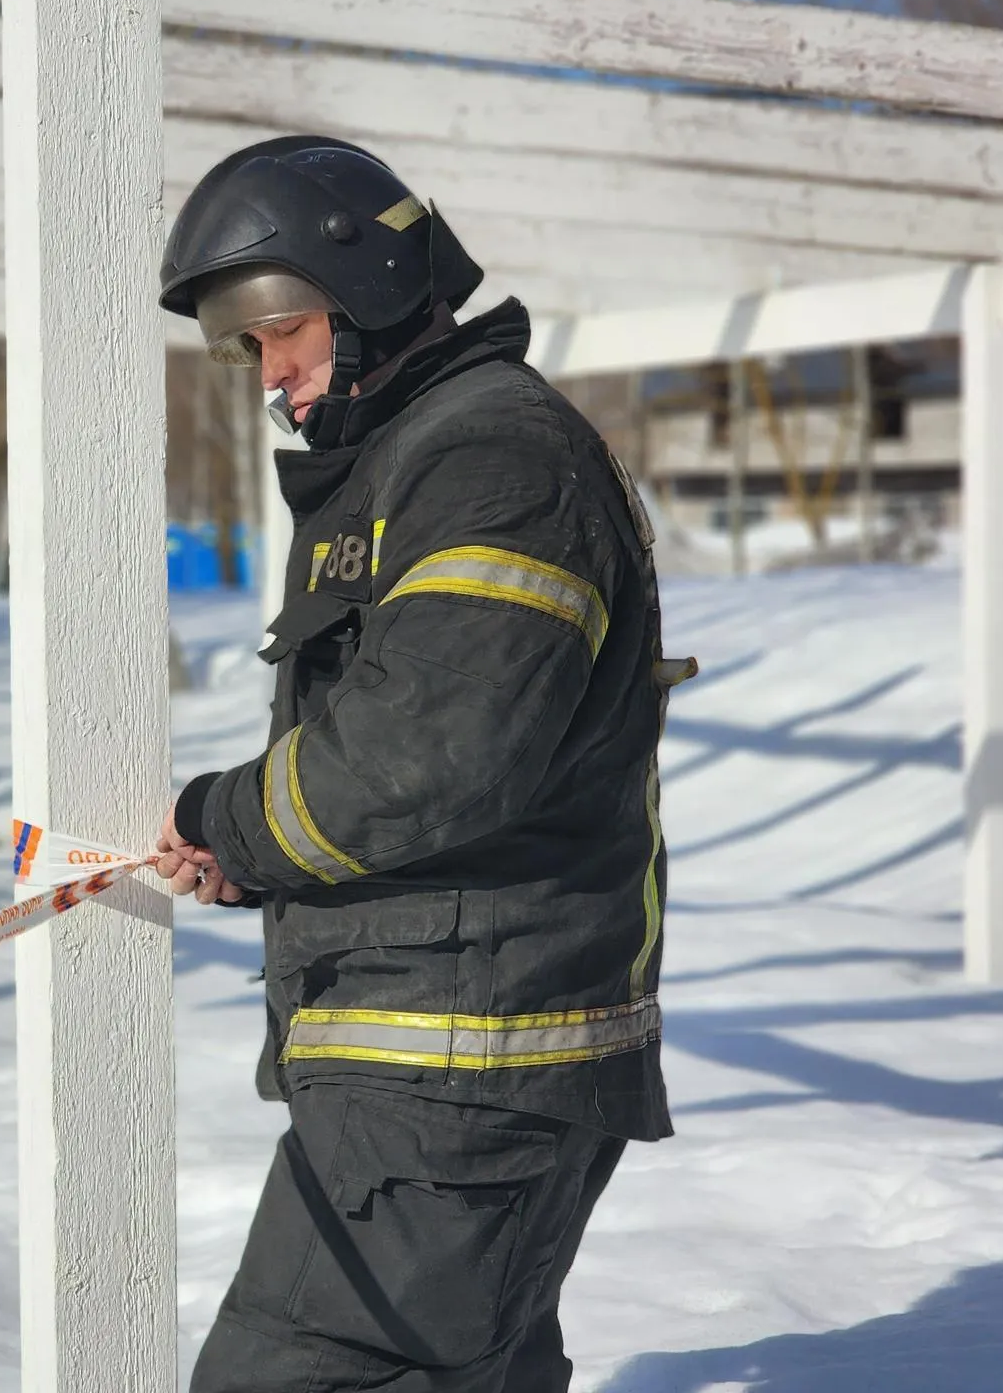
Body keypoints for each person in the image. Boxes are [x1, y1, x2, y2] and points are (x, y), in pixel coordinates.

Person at [154, 135, 695, 1392]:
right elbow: (425, 752)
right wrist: (272, 864)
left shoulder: (492, 458)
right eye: (243, 345)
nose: (269, 374)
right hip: (443, 1057)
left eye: (279, 326)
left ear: (377, 281)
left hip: (460, 1071)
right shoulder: (418, 464)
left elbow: (434, 752)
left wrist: (228, 821)